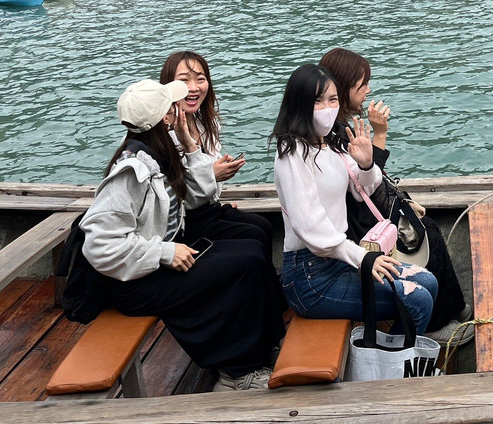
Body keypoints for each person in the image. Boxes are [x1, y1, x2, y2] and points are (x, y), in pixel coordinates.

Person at [81, 79, 284, 392]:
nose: (180, 109)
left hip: (156, 265)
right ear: (165, 118)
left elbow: (195, 195)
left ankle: (263, 345)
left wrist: (190, 144)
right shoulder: (131, 172)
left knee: (252, 252)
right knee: (245, 266)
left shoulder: (157, 156)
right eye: (173, 106)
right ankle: (237, 373)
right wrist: (164, 252)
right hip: (136, 284)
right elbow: (99, 244)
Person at [272, 64, 439, 336]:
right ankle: (392, 369)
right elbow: (310, 227)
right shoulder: (292, 153)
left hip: (340, 260)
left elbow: (366, 189)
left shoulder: (328, 144)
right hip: (310, 277)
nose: (327, 107)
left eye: (333, 99)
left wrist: (366, 163)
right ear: (299, 104)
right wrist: (363, 257)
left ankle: (392, 350)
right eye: (317, 100)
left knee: (428, 282)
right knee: (416, 299)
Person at [319, 48, 472, 342]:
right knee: (424, 232)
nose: (367, 90)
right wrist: (380, 135)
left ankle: (452, 308)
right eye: (361, 85)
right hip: (355, 226)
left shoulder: (337, 129)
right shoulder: (334, 134)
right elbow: (365, 188)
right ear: (340, 87)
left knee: (422, 225)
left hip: (359, 211)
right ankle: (437, 322)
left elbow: (367, 176)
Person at [159, 51, 273, 251]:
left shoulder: (206, 123)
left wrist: (217, 177)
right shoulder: (162, 134)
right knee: (253, 237)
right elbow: (169, 199)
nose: (193, 88)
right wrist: (211, 175)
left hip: (207, 210)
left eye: (200, 79)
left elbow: (210, 191)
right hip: (182, 223)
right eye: (184, 81)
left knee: (264, 226)